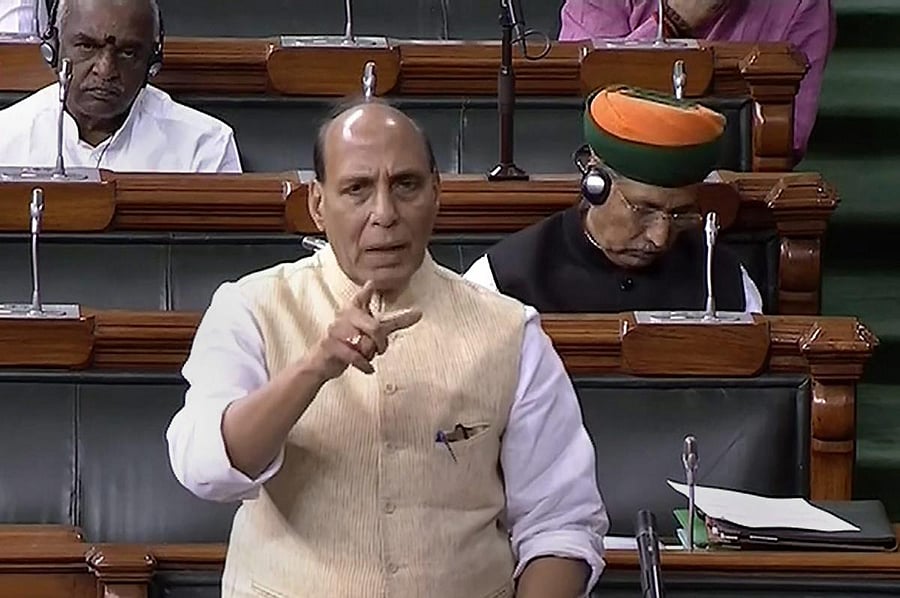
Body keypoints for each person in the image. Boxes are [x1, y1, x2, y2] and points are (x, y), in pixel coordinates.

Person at [166, 99, 608, 598]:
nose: (385, 214)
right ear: (317, 204)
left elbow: (561, 524)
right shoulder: (250, 308)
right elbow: (206, 471)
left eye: (406, 185)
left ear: (437, 193)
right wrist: (315, 367)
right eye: (357, 189)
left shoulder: (511, 330)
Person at [463, 85, 763, 314]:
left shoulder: (725, 282)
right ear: (595, 186)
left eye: (680, 215)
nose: (659, 238)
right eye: (644, 210)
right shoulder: (501, 283)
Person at [558, 0, 836, 161]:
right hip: (606, 185)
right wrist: (672, 23)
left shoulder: (804, 4)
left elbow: (786, 140)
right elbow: (578, 101)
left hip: (719, 199)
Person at [0, 0, 241, 172]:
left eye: (127, 53)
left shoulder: (204, 145)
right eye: (87, 46)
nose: (105, 70)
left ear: (152, 63)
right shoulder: (6, 135)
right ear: (53, 49)